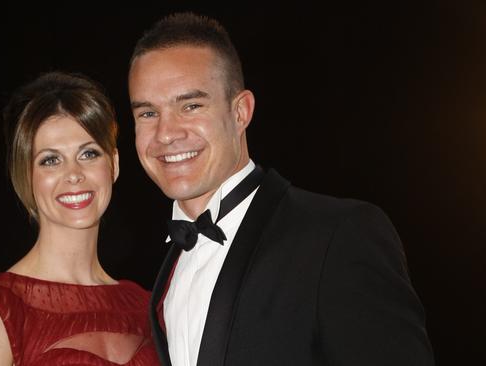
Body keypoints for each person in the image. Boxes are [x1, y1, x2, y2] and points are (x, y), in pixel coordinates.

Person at [128, 12, 434, 366]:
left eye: (191, 105)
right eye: (148, 113)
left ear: (240, 112)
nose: (166, 133)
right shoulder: (163, 273)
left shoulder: (337, 236)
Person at [0, 71, 160, 366]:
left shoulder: (148, 306)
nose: (73, 174)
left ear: (113, 165)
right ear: (26, 176)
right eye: (50, 160)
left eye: (88, 154)